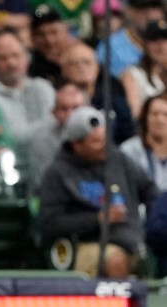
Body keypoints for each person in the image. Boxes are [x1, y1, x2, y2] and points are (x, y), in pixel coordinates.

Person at [39, 107, 158, 277]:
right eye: (95, 142)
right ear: (77, 144)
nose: (103, 146)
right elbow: (50, 224)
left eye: (104, 139)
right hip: (85, 244)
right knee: (115, 261)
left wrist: (153, 223)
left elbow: (149, 189)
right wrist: (98, 219)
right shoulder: (58, 173)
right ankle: (117, 303)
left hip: (131, 238)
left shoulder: (118, 159)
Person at [0, 30, 56, 162]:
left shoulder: (43, 88)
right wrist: (49, 126)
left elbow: (57, 132)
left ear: (27, 58)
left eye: (16, 55)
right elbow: (10, 139)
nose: (11, 63)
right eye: (3, 58)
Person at [26, 83, 89, 194]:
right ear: (54, 112)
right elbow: (42, 183)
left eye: (76, 108)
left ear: (89, 109)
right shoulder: (42, 140)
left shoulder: (99, 136)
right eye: (64, 109)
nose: (71, 114)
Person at [97, 0, 165, 80]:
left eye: (155, 8)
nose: (150, 15)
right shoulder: (110, 46)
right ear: (129, 12)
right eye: (143, 9)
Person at [120, 94, 167, 192]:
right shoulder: (128, 151)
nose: (160, 120)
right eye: (154, 114)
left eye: (166, 115)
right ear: (145, 117)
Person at [122, 20, 167, 118]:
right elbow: (135, 113)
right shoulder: (133, 73)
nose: (160, 45)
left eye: (165, 39)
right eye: (154, 39)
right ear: (145, 44)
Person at [28, 5, 75, 84]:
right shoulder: (29, 67)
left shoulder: (81, 58)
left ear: (66, 31)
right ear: (32, 38)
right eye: (41, 34)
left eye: (54, 32)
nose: (49, 40)